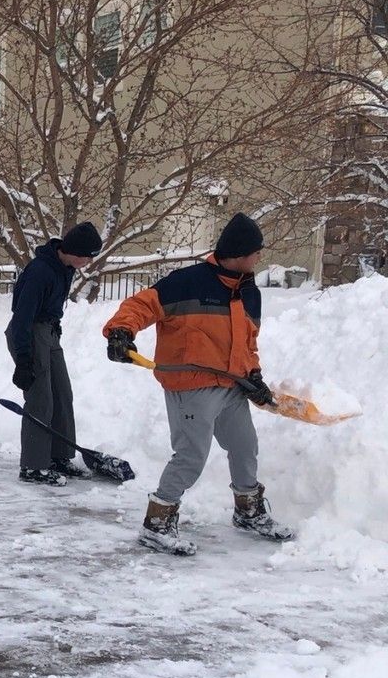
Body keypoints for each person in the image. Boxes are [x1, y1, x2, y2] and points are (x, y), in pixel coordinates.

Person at [103, 212, 294, 555]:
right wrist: (121, 331)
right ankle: (157, 522)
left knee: (244, 446)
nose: (259, 258)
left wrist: (254, 377)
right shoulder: (188, 281)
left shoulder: (250, 293)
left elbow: (247, 344)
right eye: (256, 251)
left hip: (232, 385)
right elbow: (140, 305)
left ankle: (248, 512)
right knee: (191, 455)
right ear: (239, 253)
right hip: (191, 386)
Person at [5, 222, 102, 485]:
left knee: (62, 394)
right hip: (28, 332)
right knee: (40, 400)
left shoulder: (65, 268)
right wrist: (23, 361)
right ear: (76, 251)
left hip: (49, 332)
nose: (89, 261)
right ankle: (34, 466)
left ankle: (58, 457)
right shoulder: (40, 271)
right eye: (89, 256)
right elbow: (22, 317)